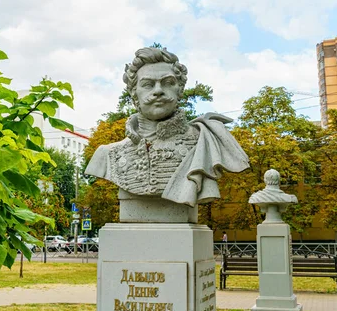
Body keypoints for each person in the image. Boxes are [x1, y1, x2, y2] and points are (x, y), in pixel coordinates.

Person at [85, 47, 249, 207]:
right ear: (134, 92)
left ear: (180, 90)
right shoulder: (107, 154)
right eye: (148, 84)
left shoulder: (204, 140)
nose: (158, 91)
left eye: (168, 83)